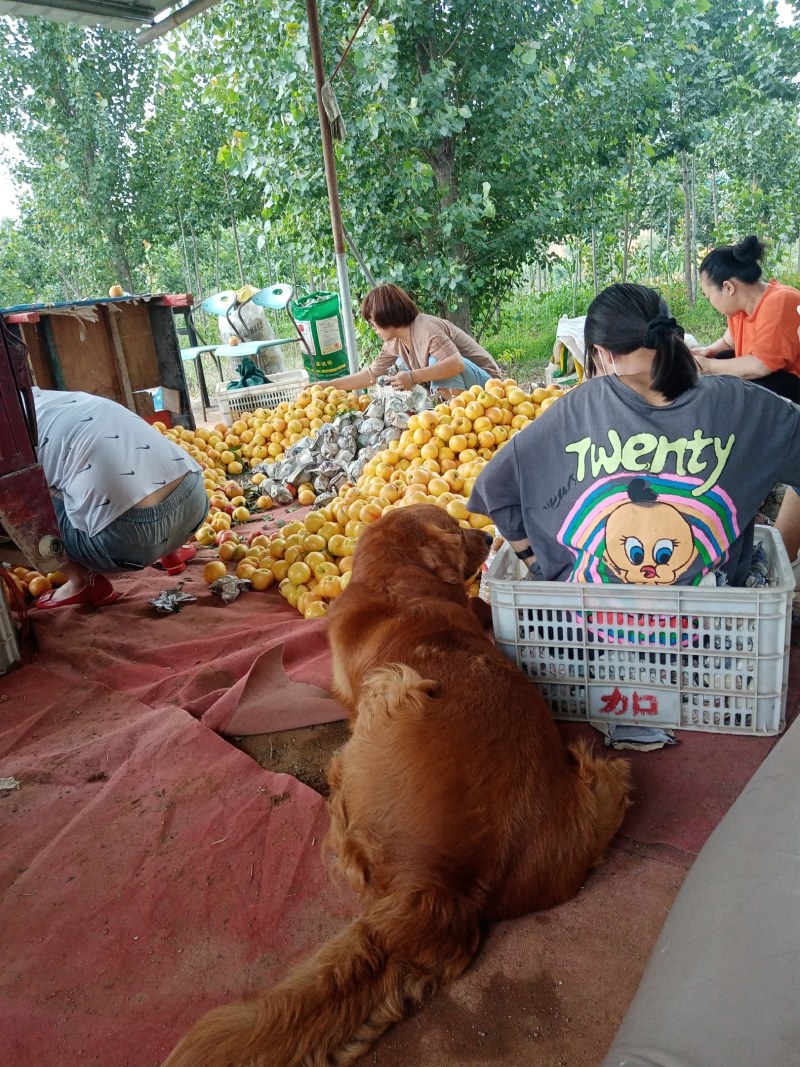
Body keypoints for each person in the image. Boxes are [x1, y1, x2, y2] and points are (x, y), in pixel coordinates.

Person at [467, 282, 800, 588]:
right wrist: (784, 547)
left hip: (589, 633)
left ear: (604, 353)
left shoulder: (579, 408)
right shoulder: (743, 404)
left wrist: (539, 565)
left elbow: (496, 488)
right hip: (712, 629)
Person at [31, 388, 209, 608]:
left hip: (130, 542)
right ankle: (171, 550)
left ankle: (82, 581)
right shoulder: (52, 399)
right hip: (194, 504)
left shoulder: (9, 434)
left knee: (16, 505)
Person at [325, 283, 501, 396]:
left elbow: (456, 364)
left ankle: (451, 415)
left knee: (435, 360)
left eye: (373, 323)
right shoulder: (394, 343)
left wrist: (411, 377)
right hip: (467, 388)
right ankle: (446, 413)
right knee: (401, 363)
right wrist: (328, 386)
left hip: (489, 387)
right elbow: (370, 375)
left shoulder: (426, 328)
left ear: (387, 316)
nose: (374, 329)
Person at [691, 235, 800, 400]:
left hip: (790, 384)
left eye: (708, 296)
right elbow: (729, 342)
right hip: (769, 376)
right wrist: (707, 352)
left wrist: (709, 367)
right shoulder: (740, 309)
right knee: (722, 357)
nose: (710, 302)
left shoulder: (779, 301)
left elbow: (761, 365)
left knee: (740, 388)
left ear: (728, 287)